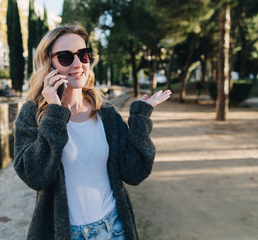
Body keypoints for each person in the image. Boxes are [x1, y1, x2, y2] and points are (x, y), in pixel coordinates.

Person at [13, 24, 171, 240]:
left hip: (114, 229)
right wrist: (54, 112)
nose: (78, 64)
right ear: (48, 63)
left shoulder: (105, 113)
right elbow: (35, 176)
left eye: (83, 55)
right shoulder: (34, 114)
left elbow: (134, 173)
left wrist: (140, 119)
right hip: (67, 234)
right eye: (66, 57)